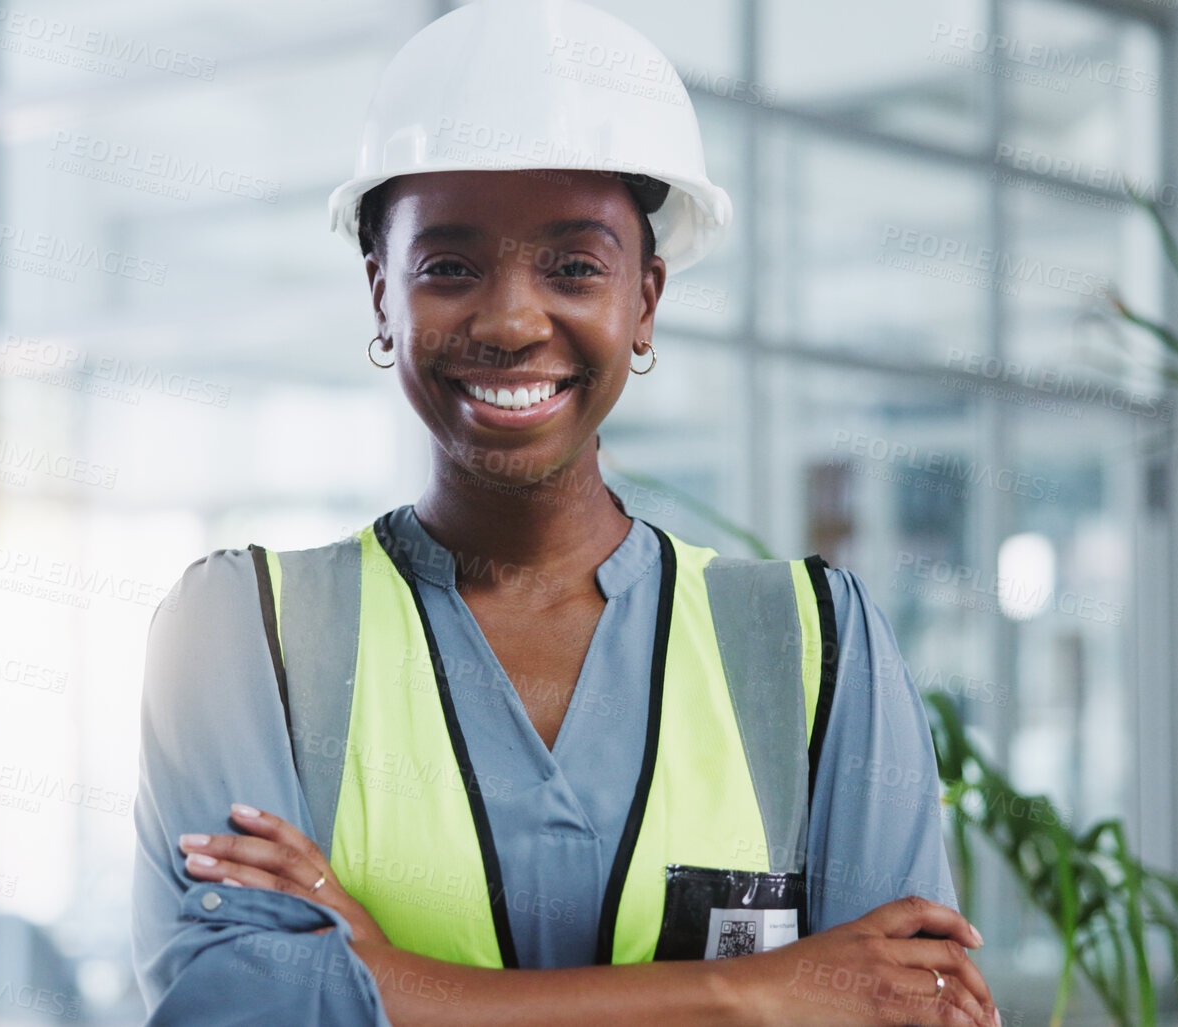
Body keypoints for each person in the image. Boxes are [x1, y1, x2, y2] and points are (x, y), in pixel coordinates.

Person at [130, 1, 999, 1024]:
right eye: (448, 266)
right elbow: (229, 1005)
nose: (508, 318)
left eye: (575, 266)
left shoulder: (815, 646)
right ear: (380, 296)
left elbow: (911, 1005)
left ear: (645, 299)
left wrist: (381, 984)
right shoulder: (249, 631)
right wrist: (751, 989)